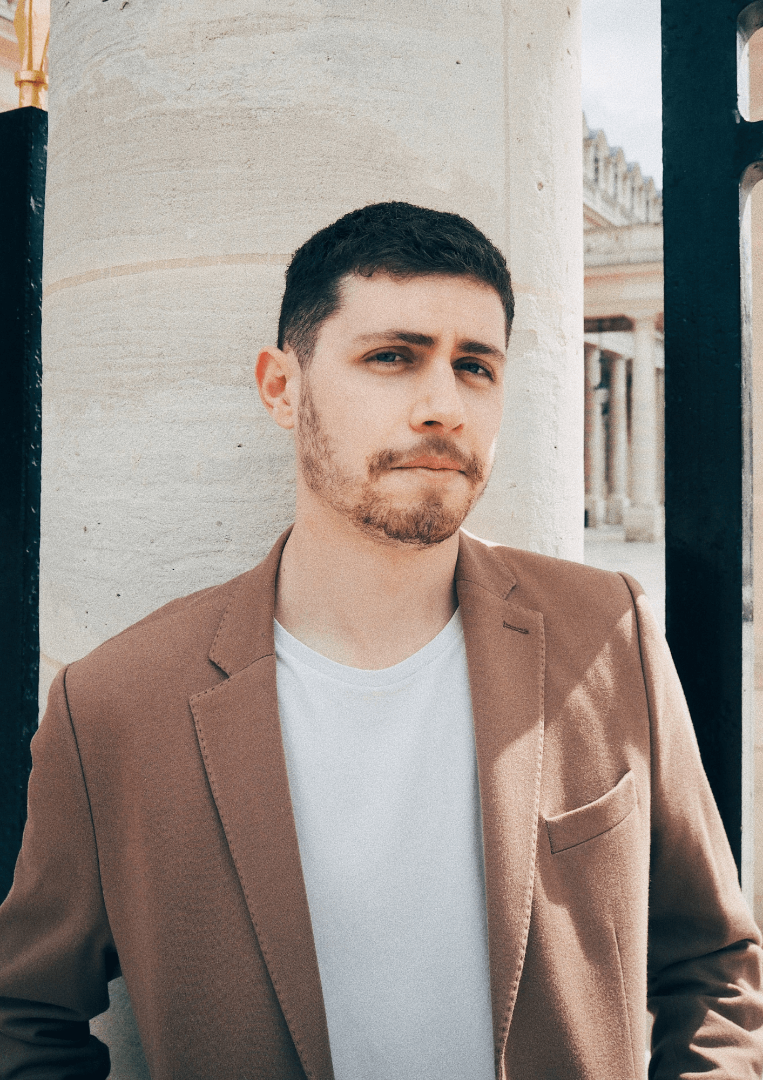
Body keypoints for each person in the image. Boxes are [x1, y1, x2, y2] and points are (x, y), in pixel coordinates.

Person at [0, 201, 761, 1080]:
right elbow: (26, 1018)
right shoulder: (116, 702)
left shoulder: (605, 631)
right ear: (281, 389)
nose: (443, 407)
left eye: (474, 366)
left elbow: (713, 967)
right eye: (392, 357)